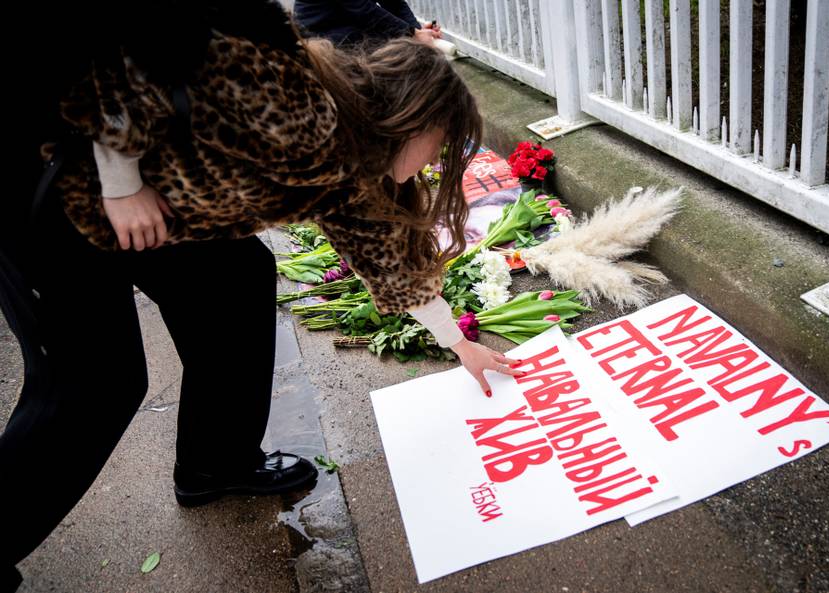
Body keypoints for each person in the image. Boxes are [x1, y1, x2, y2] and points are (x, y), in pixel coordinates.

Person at [0, 1, 520, 589]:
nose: (439, 159)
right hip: (65, 193)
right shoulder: (302, 107)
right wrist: (122, 183)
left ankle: (215, 464)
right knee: (97, 384)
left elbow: (390, 260)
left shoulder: (353, 164)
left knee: (236, 277)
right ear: (414, 119)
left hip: (166, 213)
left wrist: (460, 344)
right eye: (442, 143)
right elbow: (129, 62)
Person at [293, 0, 441, 47]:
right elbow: (363, 9)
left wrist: (419, 32)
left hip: (347, 24)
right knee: (384, 44)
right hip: (318, 36)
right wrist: (413, 34)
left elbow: (394, 3)